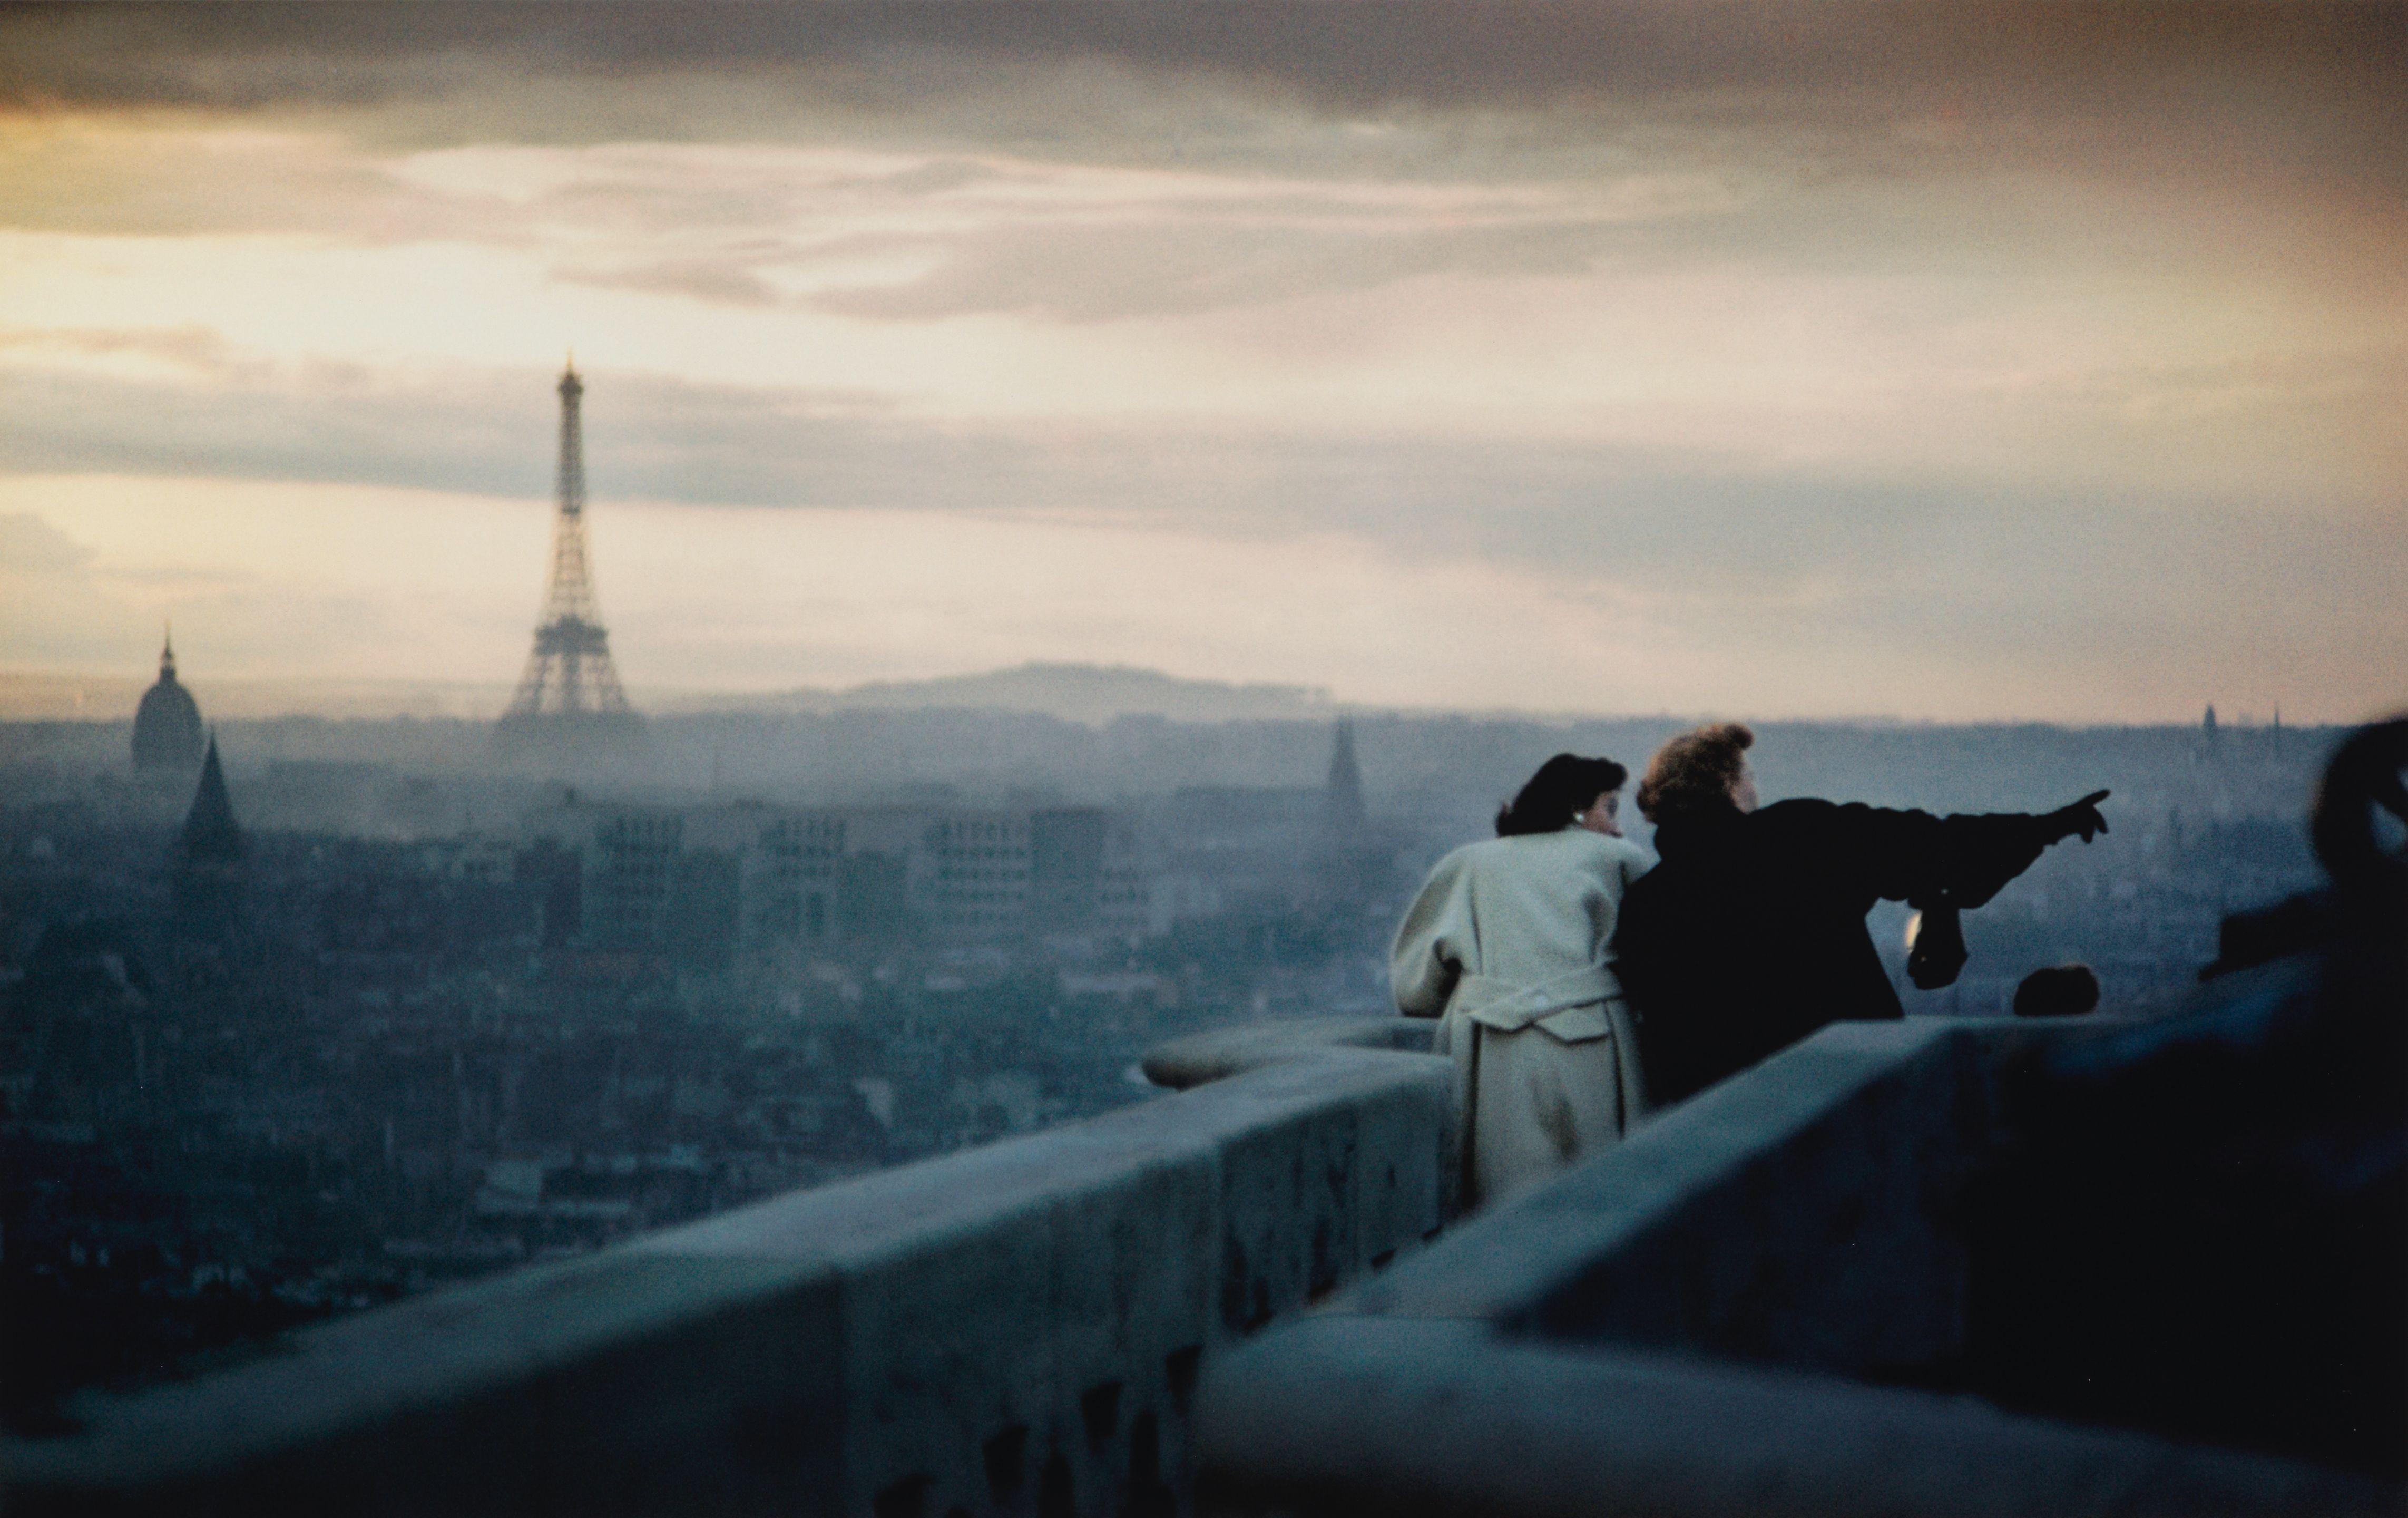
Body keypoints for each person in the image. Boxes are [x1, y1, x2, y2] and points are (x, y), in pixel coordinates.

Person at [1615, 723, 2109, 1105]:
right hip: (1843, 1083)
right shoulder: (1799, 836)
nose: (1755, 788)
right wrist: (2044, 828)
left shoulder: (1645, 906)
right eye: (1749, 777)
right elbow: (1930, 843)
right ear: (1728, 784)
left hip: (1731, 1119)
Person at [1391, 754, 1653, 1208]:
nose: (1617, 828)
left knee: (1498, 1198)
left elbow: (1416, 987)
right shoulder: (1620, 859)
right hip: (1596, 1045)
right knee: (1601, 1202)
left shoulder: (1467, 863)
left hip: (1489, 1050)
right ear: (1577, 807)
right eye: (1610, 809)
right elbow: (1652, 958)